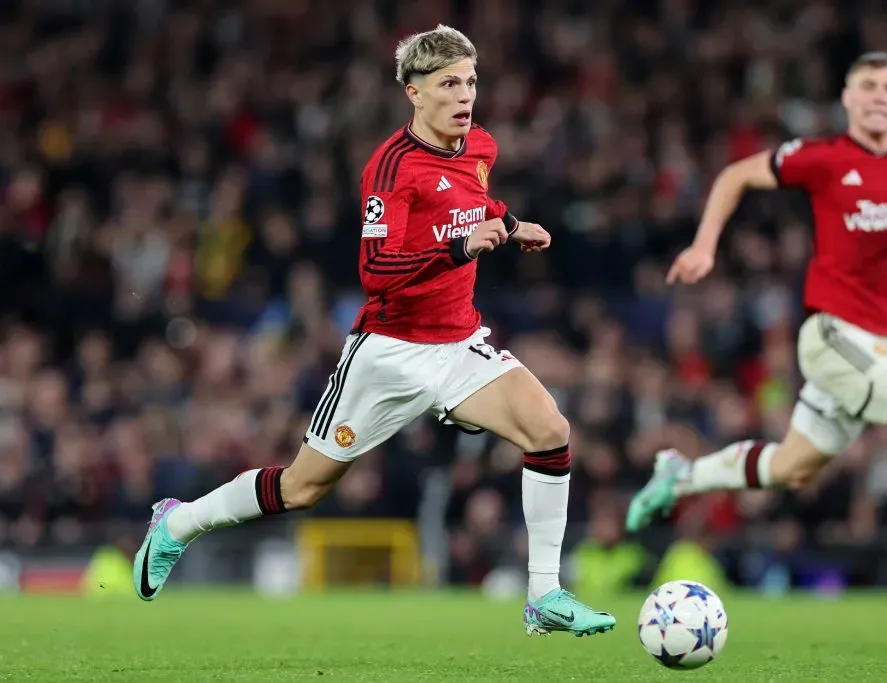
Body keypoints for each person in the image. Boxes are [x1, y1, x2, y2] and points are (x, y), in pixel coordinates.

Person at [132, 24, 615, 637]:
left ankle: (543, 595)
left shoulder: (481, 147)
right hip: (388, 352)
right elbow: (376, 271)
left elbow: (474, 203)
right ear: (414, 92)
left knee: (549, 429)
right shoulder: (391, 168)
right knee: (303, 487)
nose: (465, 95)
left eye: (470, 81)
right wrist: (461, 248)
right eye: (448, 84)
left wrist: (512, 225)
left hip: (459, 342)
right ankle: (178, 524)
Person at [626, 52, 887, 617]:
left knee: (792, 467)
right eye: (869, 86)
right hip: (832, 335)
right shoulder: (825, 158)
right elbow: (737, 174)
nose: (880, 95)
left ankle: (680, 475)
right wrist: (705, 245)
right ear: (848, 99)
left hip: (879, 348)